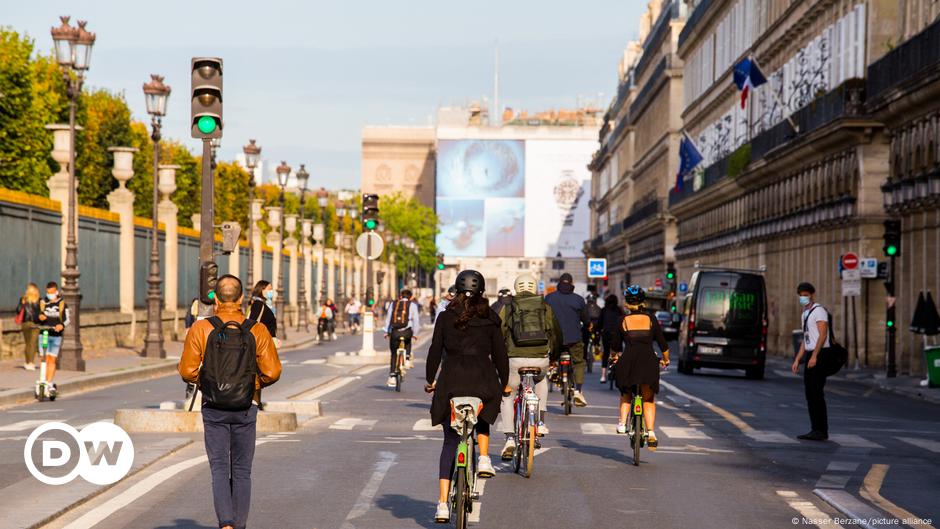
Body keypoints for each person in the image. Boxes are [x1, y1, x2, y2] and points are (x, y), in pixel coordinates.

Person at [179, 274, 281, 529]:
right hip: (246, 407)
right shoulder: (257, 330)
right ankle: (239, 524)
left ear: (216, 300)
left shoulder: (201, 329)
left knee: (219, 468)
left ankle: (225, 524)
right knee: (242, 470)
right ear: (242, 299)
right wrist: (250, 385)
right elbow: (272, 371)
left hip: (213, 407)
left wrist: (210, 383)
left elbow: (187, 371)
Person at [425, 270, 508, 523]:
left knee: (450, 442)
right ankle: (483, 458)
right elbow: (501, 356)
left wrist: (431, 380)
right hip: (482, 378)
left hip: (451, 381)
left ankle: (441, 504)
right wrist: (503, 383)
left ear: (457, 291)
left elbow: (435, 352)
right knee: (484, 406)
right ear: (482, 291)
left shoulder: (445, 316)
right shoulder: (491, 318)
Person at [497, 273, 562, 459]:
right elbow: (556, 334)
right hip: (540, 358)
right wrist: (553, 356)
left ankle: (509, 437)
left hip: (514, 359)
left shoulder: (508, 307)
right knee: (541, 381)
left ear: (516, 288)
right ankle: (540, 421)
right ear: (535, 287)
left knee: (508, 396)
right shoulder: (545, 307)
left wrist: (499, 356)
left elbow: (499, 332)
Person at [610, 285, 669, 449]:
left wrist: (614, 356)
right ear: (643, 301)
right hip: (648, 362)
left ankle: (622, 423)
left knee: (626, 392)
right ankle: (651, 432)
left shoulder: (622, 320)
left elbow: (615, 345)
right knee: (648, 398)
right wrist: (666, 360)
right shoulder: (651, 319)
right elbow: (663, 344)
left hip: (628, 361)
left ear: (627, 303)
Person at [791, 282, 831, 441]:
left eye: (806, 295)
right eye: (801, 295)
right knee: (810, 393)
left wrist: (815, 355)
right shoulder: (805, 314)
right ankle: (816, 428)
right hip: (810, 353)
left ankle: (820, 430)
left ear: (812, 294)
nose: (803, 297)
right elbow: (806, 339)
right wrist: (798, 358)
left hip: (820, 354)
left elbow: (823, 335)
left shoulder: (819, 311)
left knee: (816, 393)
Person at [544, 272, 589, 407]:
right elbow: (585, 319)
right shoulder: (578, 300)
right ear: (571, 283)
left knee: (551, 357)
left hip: (555, 339)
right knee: (579, 362)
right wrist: (588, 325)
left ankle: (553, 371)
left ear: (559, 282)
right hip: (573, 338)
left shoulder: (549, 298)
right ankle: (578, 391)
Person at [37, 281, 69, 396]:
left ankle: (49, 383)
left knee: (52, 359)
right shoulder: (42, 302)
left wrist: (62, 325)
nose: (49, 295)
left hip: (56, 335)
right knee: (43, 358)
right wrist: (40, 316)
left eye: (51, 293)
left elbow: (67, 319)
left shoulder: (62, 304)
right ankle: (43, 380)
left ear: (56, 292)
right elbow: (37, 315)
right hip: (43, 333)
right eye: (47, 293)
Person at [385, 288, 422, 386]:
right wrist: (415, 334)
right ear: (410, 297)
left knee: (393, 354)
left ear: (400, 296)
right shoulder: (412, 305)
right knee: (408, 340)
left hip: (395, 332)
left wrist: (386, 331)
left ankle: (392, 376)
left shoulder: (393, 304)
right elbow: (416, 321)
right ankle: (407, 358)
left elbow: (388, 319)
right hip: (406, 332)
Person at [597, 293, 624, 384]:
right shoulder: (619, 310)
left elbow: (599, 323)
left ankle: (603, 376)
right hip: (617, 335)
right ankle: (620, 373)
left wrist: (597, 331)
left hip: (606, 334)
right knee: (619, 351)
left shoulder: (604, 310)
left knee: (606, 353)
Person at [15, 283, 42, 370]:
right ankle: (29, 362)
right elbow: (18, 310)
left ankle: (28, 362)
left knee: (29, 343)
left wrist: (22, 304)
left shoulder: (25, 299)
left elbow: (18, 311)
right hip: (33, 323)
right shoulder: (38, 300)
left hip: (26, 323)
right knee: (31, 343)